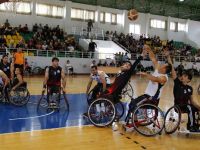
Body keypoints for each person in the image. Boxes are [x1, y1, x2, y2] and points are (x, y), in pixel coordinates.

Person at [127, 45, 172, 121]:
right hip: (147, 95)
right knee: (132, 102)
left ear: (165, 69)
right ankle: (135, 120)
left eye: (164, 65)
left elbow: (155, 79)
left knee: (133, 104)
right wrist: (149, 49)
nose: (162, 64)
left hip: (151, 98)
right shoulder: (158, 69)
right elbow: (153, 58)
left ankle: (135, 121)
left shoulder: (164, 78)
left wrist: (145, 74)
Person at [167, 52, 200, 132]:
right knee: (189, 107)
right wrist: (168, 57)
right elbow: (172, 70)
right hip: (178, 106)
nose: (182, 76)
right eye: (183, 75)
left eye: (185, 76)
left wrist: (199, 107)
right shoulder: (177, 83)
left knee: (194, 108)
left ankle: (193, 125)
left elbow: (192, 101)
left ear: (188, 80)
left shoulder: (190, 88)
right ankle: (191, 127)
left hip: (186, 106)